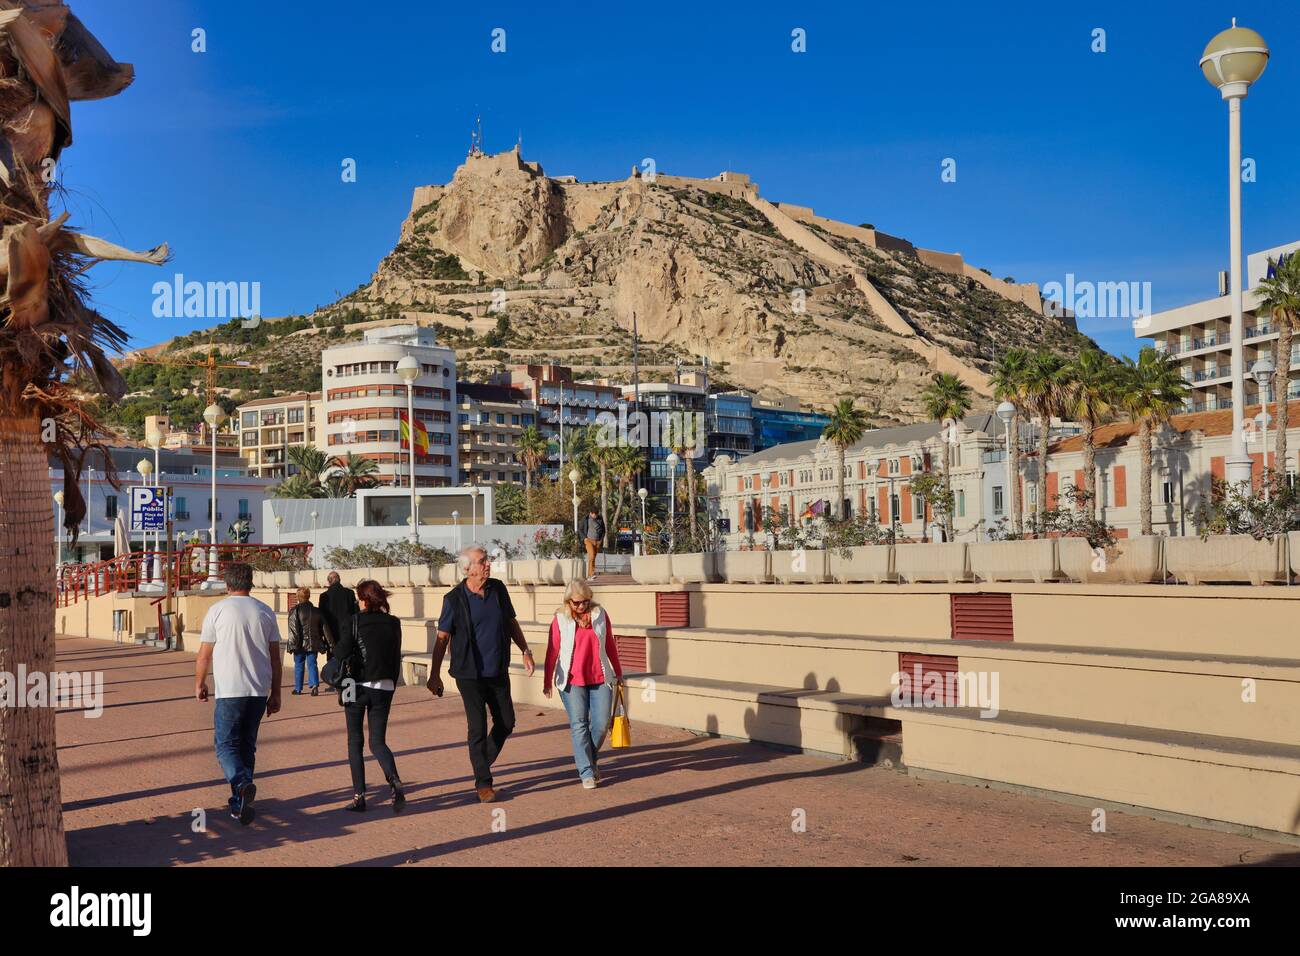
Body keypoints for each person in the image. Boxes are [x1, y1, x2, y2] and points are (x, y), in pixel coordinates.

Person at [428, 545, 534, 803]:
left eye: (487, 560)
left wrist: (525, 649)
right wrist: (434, 675)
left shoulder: (498, 589)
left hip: (497, 669)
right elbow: (442, 639)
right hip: (469, 674)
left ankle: (480, 763)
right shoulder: (453, 600)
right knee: (477, 727)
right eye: (482, 561)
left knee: (506, 722)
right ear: (467, 568)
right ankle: (483, 783)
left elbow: (510, 622)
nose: (487, 564)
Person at [194, 562, 281, 825]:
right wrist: (276, 693)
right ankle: (240, 800)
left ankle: (242, 784)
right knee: (246, 746)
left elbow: (204, 654)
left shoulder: (217, 610)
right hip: (258, 688)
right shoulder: (265, 612)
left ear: (227, 584)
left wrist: (200, 683)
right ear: (250, 582)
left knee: (225, 746)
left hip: (230, 688)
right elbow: (275, 658)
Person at [332, 579, 406, 813]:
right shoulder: (394, 623)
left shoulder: (353, 622)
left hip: (355, 685)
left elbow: (341, 652)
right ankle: (393, 779)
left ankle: (359, 796)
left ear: (363, 599)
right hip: (384, 685)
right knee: (377, 741)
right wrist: (391, 684)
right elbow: (396, 657)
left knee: (355, 741)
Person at [543, 579, 624, 788]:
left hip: (599, 676)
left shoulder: (600, 615)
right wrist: (547, 681)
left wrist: (619, 671)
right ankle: (586, 771)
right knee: (579, 724)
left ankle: (589, 759)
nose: (580, 607)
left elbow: (609, 643)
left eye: (584, 602)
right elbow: (552, 651)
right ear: (568, 601)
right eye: (576, 603)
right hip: (571, 680)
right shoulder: (560, 618)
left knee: (601, 723)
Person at [287, 588, 335, 696]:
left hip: (299, 644)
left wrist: (292, 645)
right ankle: (314, 686)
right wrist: (331, 643)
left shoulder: (294, 610)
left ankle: (298, 688)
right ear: (308, 596)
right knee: (312, 664)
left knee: (299, 664)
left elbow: (293, 630)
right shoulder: (317, 611)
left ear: (298, 597)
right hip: (314, 643)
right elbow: (325, 628)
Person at [319, 571, 359, 657]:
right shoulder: (349, 593)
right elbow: (356, 613)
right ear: (339, 580)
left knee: (332, 662)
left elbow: (321, 618)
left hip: (330, 634)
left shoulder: (324, 596)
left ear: (329, 582)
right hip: (347, 633)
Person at [583, 509, 605, 580]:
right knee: (591, 556)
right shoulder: (586, 519)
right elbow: (580, 529)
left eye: (596, 514)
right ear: (590, 513)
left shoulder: (600, 519)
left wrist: (601, 540)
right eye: (594, 514)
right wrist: (584, 538)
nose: (595, 516)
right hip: (588, 540)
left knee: (593, 558)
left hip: (597, 541)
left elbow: (603, 530)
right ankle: (590, 575)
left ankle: (591, 575)